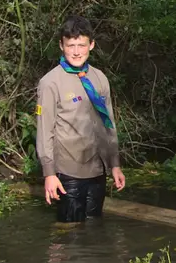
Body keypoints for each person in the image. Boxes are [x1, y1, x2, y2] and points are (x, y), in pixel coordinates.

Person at [37, 15, 126, 223]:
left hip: (97, 169)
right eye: (71, 45)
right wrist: (49, 174)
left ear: (92, 45)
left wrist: (115, 164)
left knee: (94, 228)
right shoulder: (50, 83)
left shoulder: (99, 78)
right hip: (68, 172)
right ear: (61, 45)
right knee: (68, 233)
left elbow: (108, 124)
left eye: (81, 45)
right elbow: (44, 131)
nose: (76, 52)